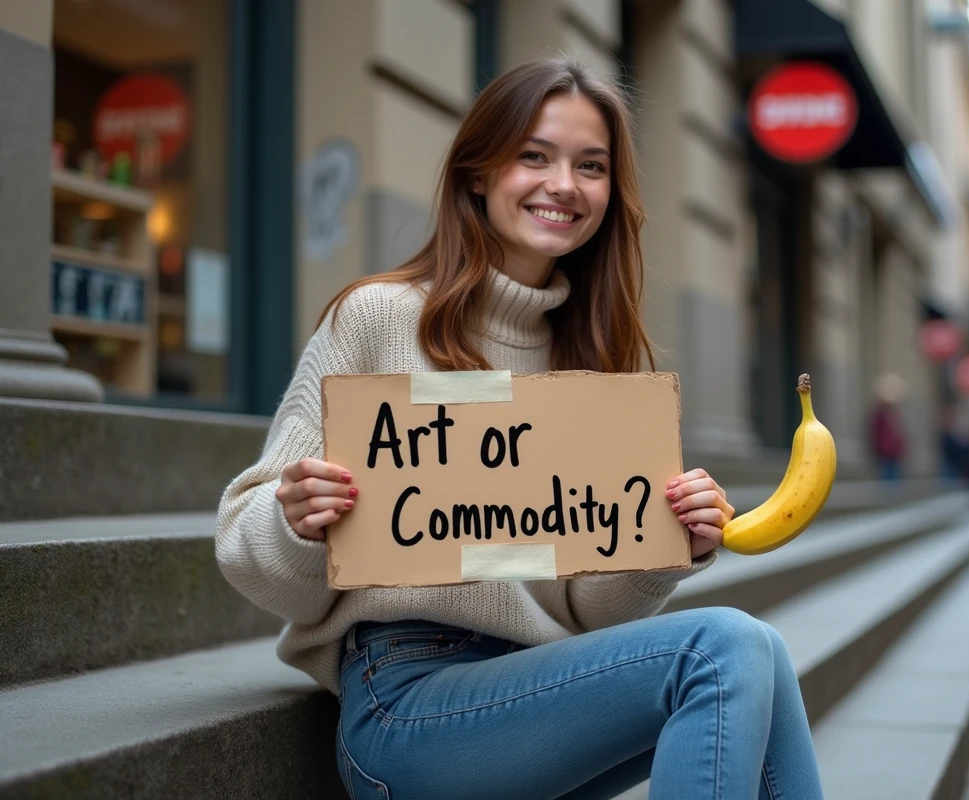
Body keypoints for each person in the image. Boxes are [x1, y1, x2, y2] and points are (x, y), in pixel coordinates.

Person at [214, 58, 824, 800]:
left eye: (590, 165)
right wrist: (298, 525)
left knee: (759, 650)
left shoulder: (598, 367)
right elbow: (246, 554)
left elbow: (578, 609)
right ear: (478, 174)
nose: (563, 184)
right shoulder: (378, 318)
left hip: (545, 692)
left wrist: (659, 551)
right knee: (726, 644)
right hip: (406, 701)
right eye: (533, 155)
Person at [870, 373, 907, 482]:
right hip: (885, 452)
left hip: (894, 452)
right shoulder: (879, 415)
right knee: (887, 478)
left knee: (894, 478)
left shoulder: (895, 415)